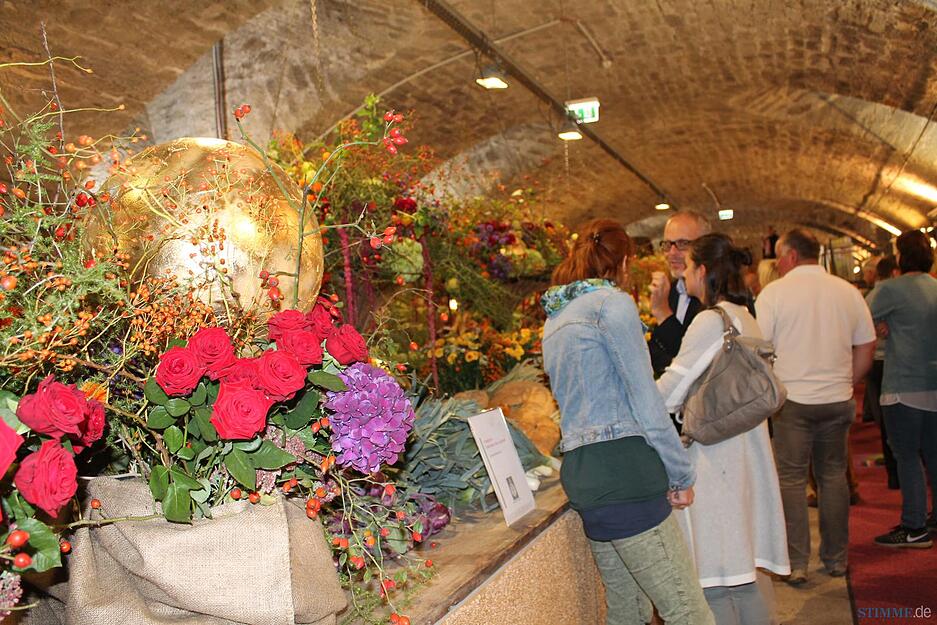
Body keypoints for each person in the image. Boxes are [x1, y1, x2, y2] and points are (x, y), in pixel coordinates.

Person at [541, 219, 714, 625]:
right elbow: (646, 400)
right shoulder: (611, 304)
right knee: (689, 613)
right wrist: (680, 474)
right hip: (625, 473)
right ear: (623, 261)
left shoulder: (554, 318)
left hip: (586, 477)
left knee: (628, 611)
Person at [657, 234, 790, 625]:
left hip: (716, 461)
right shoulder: (744, 314)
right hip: (746, 453)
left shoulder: (709, 320)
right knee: (743, 576)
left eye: (690, 266)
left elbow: (669, 391)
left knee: (713, 578)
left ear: (702, 271)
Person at [755, 229, 875, 584]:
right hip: (837, 400)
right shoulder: (848, 292)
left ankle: (796, 563)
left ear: (790, 255)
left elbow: (759, 350)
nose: (777, 263)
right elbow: (866, 346)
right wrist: (846, 382)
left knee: (791, 481)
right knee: (833, 476)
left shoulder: (774, 294)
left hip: (792, 401)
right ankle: (836, 559)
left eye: (779, 256)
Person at [867, 231, 937, 548]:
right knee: (933, 457)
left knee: (906, 456)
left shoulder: (891, 289)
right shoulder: (935, 288)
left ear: (900, 257)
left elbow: (859, 320)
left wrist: (881, 329)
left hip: (903, 386)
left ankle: (914, 526)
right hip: (933, 384)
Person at [648, 210, 711, 377]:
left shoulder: (717, 296)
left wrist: (663, 313)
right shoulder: (672, 291)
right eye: (668, 245)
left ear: (704, 246)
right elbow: (655, 350)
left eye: (682, 244)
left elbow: (695, 362)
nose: (672, 253)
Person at [864, 255, 900, 489]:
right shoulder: (891, 293)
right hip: (888, 360)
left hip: (878, 360)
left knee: (886, 418)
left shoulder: (872, 296)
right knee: (890, 419)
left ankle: (894, 474)